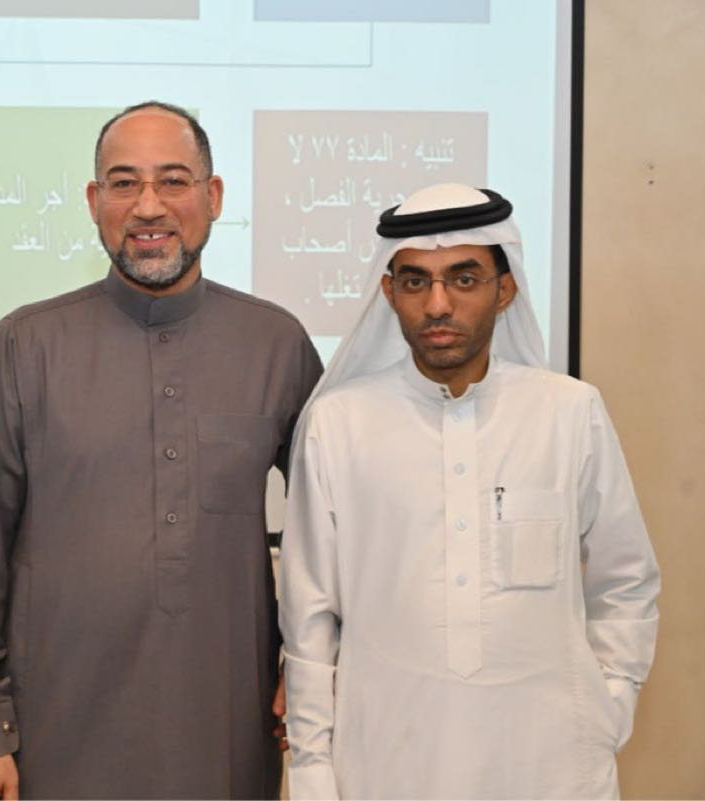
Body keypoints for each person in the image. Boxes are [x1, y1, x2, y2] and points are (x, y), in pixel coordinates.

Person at [0, 101, 323, 799]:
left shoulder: (275, 344)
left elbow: (340, 526)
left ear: (213, 196)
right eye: (124, 183)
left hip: (224, 733)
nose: (148, 206)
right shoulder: (27, 344)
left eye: (173, 181)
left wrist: (316, 665)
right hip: (54, 738)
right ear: (93, 201)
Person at [278, 183, 661, 799]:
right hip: (383, 764)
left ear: (503, 290)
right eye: (415, 282)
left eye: (463, 279)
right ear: (389, 293)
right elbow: (309, 617)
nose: (437, 304)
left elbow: (626, 580)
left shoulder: (568, 413)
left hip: (552, 766)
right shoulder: (340, 424)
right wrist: (314, 767)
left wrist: (607, 706)